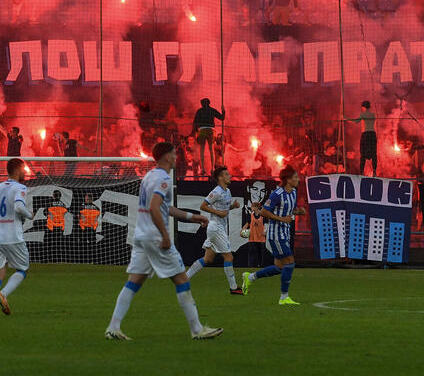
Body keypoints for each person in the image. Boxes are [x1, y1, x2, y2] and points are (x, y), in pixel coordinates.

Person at [104, 141, 222, 341]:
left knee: (135, 280)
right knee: (181, 279)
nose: (177, 158)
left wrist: (192, 217)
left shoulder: (149, 176)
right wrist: (166, 236)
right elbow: (154, 207)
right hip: (155, 237)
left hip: (141, 236)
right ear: (167, 157)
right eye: (174, 154)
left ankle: (113, 327)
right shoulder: (164, 179)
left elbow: (165, 208)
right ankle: (197, 329)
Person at [241, 166, 307, 305]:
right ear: (288, 180)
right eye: (295, 177)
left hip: (285, 232)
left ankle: (250, 277)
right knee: (290, 263)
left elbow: (289, 210)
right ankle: (284, 297)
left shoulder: (293, 192)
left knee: (280, 267)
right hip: (276, 234)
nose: (298, 179)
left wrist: (298, 211)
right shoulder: (277, 194)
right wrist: (282, 219)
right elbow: (264, 211)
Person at [0, 158, 33, 316]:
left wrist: (1, 216)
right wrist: (28, 215)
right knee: (23, 269)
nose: (25, 172)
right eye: (24, 170)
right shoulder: (20, 187)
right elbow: (19, 206)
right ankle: (3, 294)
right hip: (13, 236)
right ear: (18, 171)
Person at [185, 166, 243, 294]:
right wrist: (217, 212)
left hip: (218, 227)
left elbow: (224, 210)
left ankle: (184, 279)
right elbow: (203, 206)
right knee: (229, 257)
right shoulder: (216, 191)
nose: (230, 176)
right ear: (220, 177)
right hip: (216, 227)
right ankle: (234, 288)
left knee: (208, 259)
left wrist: (233, 206)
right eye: (227, 174)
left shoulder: (227, 191)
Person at [192, 98, 225, 175]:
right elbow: (222, 118)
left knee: (202, 150)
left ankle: (203, 169)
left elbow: (195, 122)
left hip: (202, 130)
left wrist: (196, 131)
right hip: (211, 130)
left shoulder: (199, 111)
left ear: (202, 104)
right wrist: (223, 111)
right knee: (211, 149)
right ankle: (212, 169)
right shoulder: (212, 110)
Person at [347, 100, 377, 176]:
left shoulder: (363, 114)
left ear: (363, 107)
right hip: (372, 134)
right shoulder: (373, 115)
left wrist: (346, 119)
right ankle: (374, 171)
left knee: (363, 153)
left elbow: (356, 121)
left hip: (366, 134)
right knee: (374, 153)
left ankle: (361, 171)